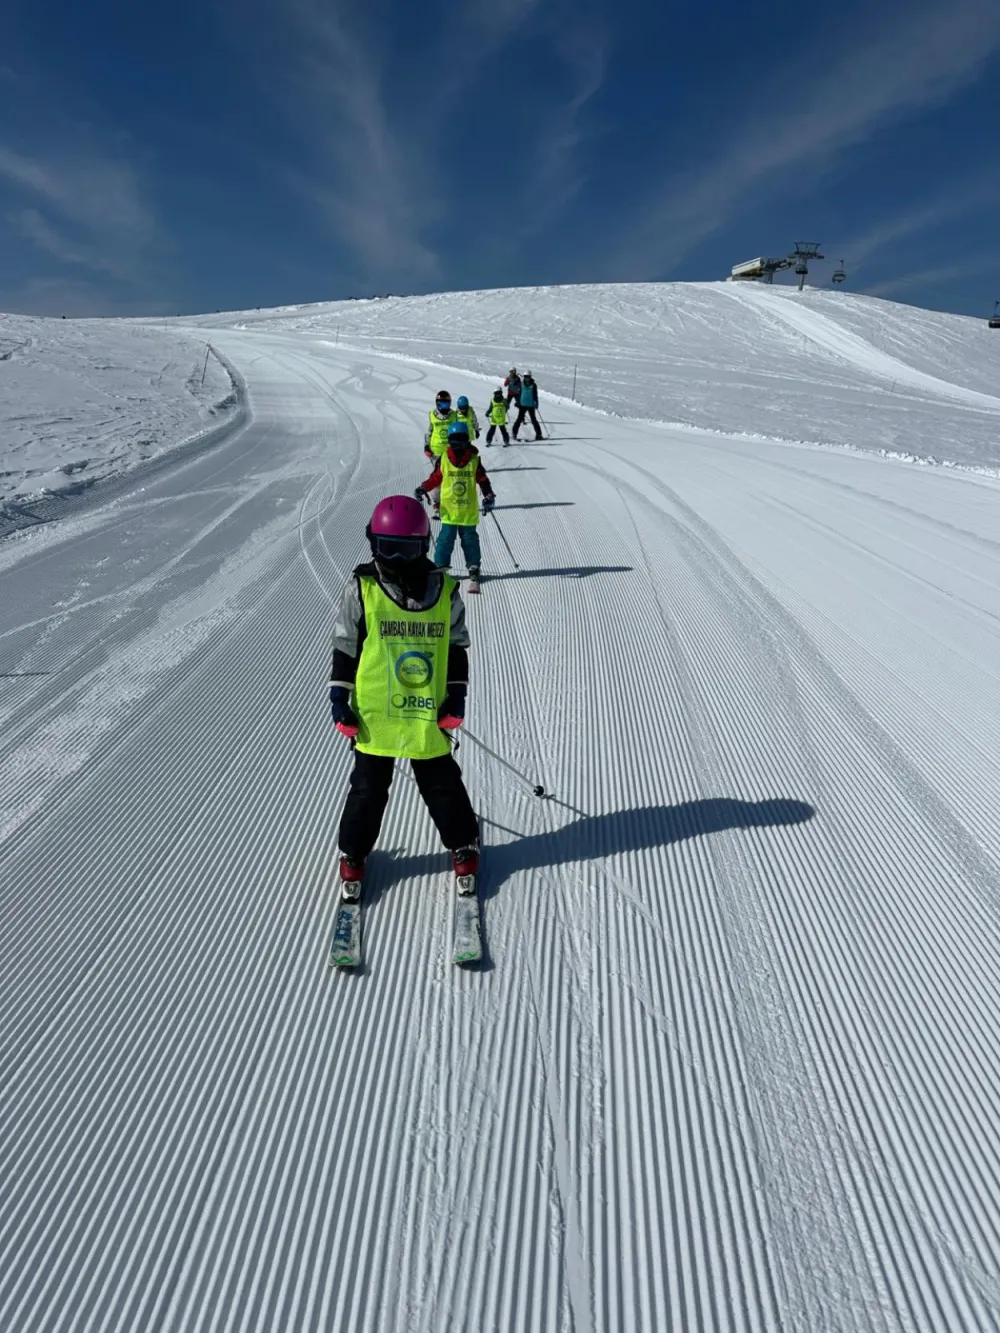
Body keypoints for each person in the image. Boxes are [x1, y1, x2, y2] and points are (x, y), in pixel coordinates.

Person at [327, 494, 480, 894]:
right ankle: (353, 854)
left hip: (425, 710)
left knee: (441, 783)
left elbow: (456, 646)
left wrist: (457, 696)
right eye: (387, 548)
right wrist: (339, 698)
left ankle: (463, 844)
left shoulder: (444, 590)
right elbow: (345, 646)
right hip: (375, 713)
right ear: (372, 544)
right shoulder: (362, 588)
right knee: (368, 788)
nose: (396, 559)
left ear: (423, 546)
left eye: (406, 550)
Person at [415, 419, 495, 594]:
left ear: (467, 440)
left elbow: (483, 480)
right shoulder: (444, 459)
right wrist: (423, 487)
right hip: (449, 510)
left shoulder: (474, 460)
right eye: (454, 439)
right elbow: (435, 478)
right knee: (445, 540)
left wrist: (489, 495)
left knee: (470, 540)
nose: (457, 443)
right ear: (449, 440)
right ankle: (440, 567)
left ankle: (473, 567)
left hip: (467, 511)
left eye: (461, 439)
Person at [424, 389, 457, 460]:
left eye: (446, 405)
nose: (444, 407)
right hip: (435, 451)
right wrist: (426, 446)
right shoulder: (432, 415)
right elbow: (429, 432)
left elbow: (459, 432)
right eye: (441, 405)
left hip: (451, 451)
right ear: (437, 404)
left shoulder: (454, 415)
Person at [512, 370, 542, 441]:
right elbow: (519, 393)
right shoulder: (521, 384)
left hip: (531, 404)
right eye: (525, 377)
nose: (526, 378)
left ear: (530, 377)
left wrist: (536, 403)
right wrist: (518, 402)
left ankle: (539, 434)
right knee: (519, 419)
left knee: (533, 420)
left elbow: (535, 394)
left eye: (528, 377)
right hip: (522, 404)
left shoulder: (533, 385)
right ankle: (514, 433)